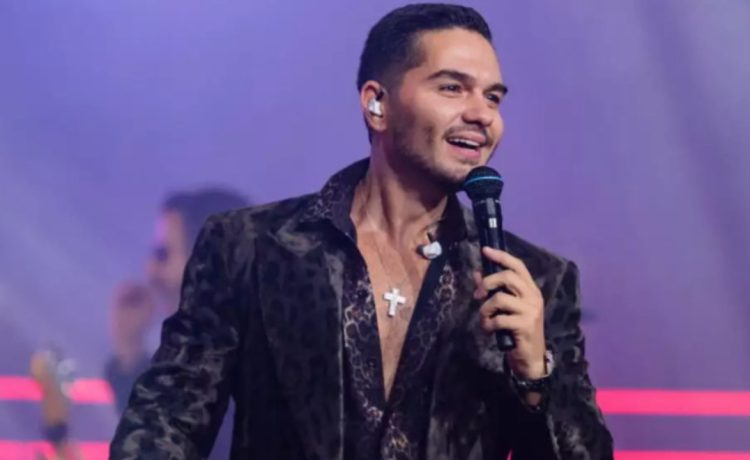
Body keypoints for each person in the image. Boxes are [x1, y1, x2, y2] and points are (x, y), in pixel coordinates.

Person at [110, 4, 614, 459]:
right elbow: (165, 423)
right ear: (377, 104)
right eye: (452, 88)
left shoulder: (535, 282)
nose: (482, 114)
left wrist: (535, 376)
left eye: (494, 97)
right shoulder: (252, 248)